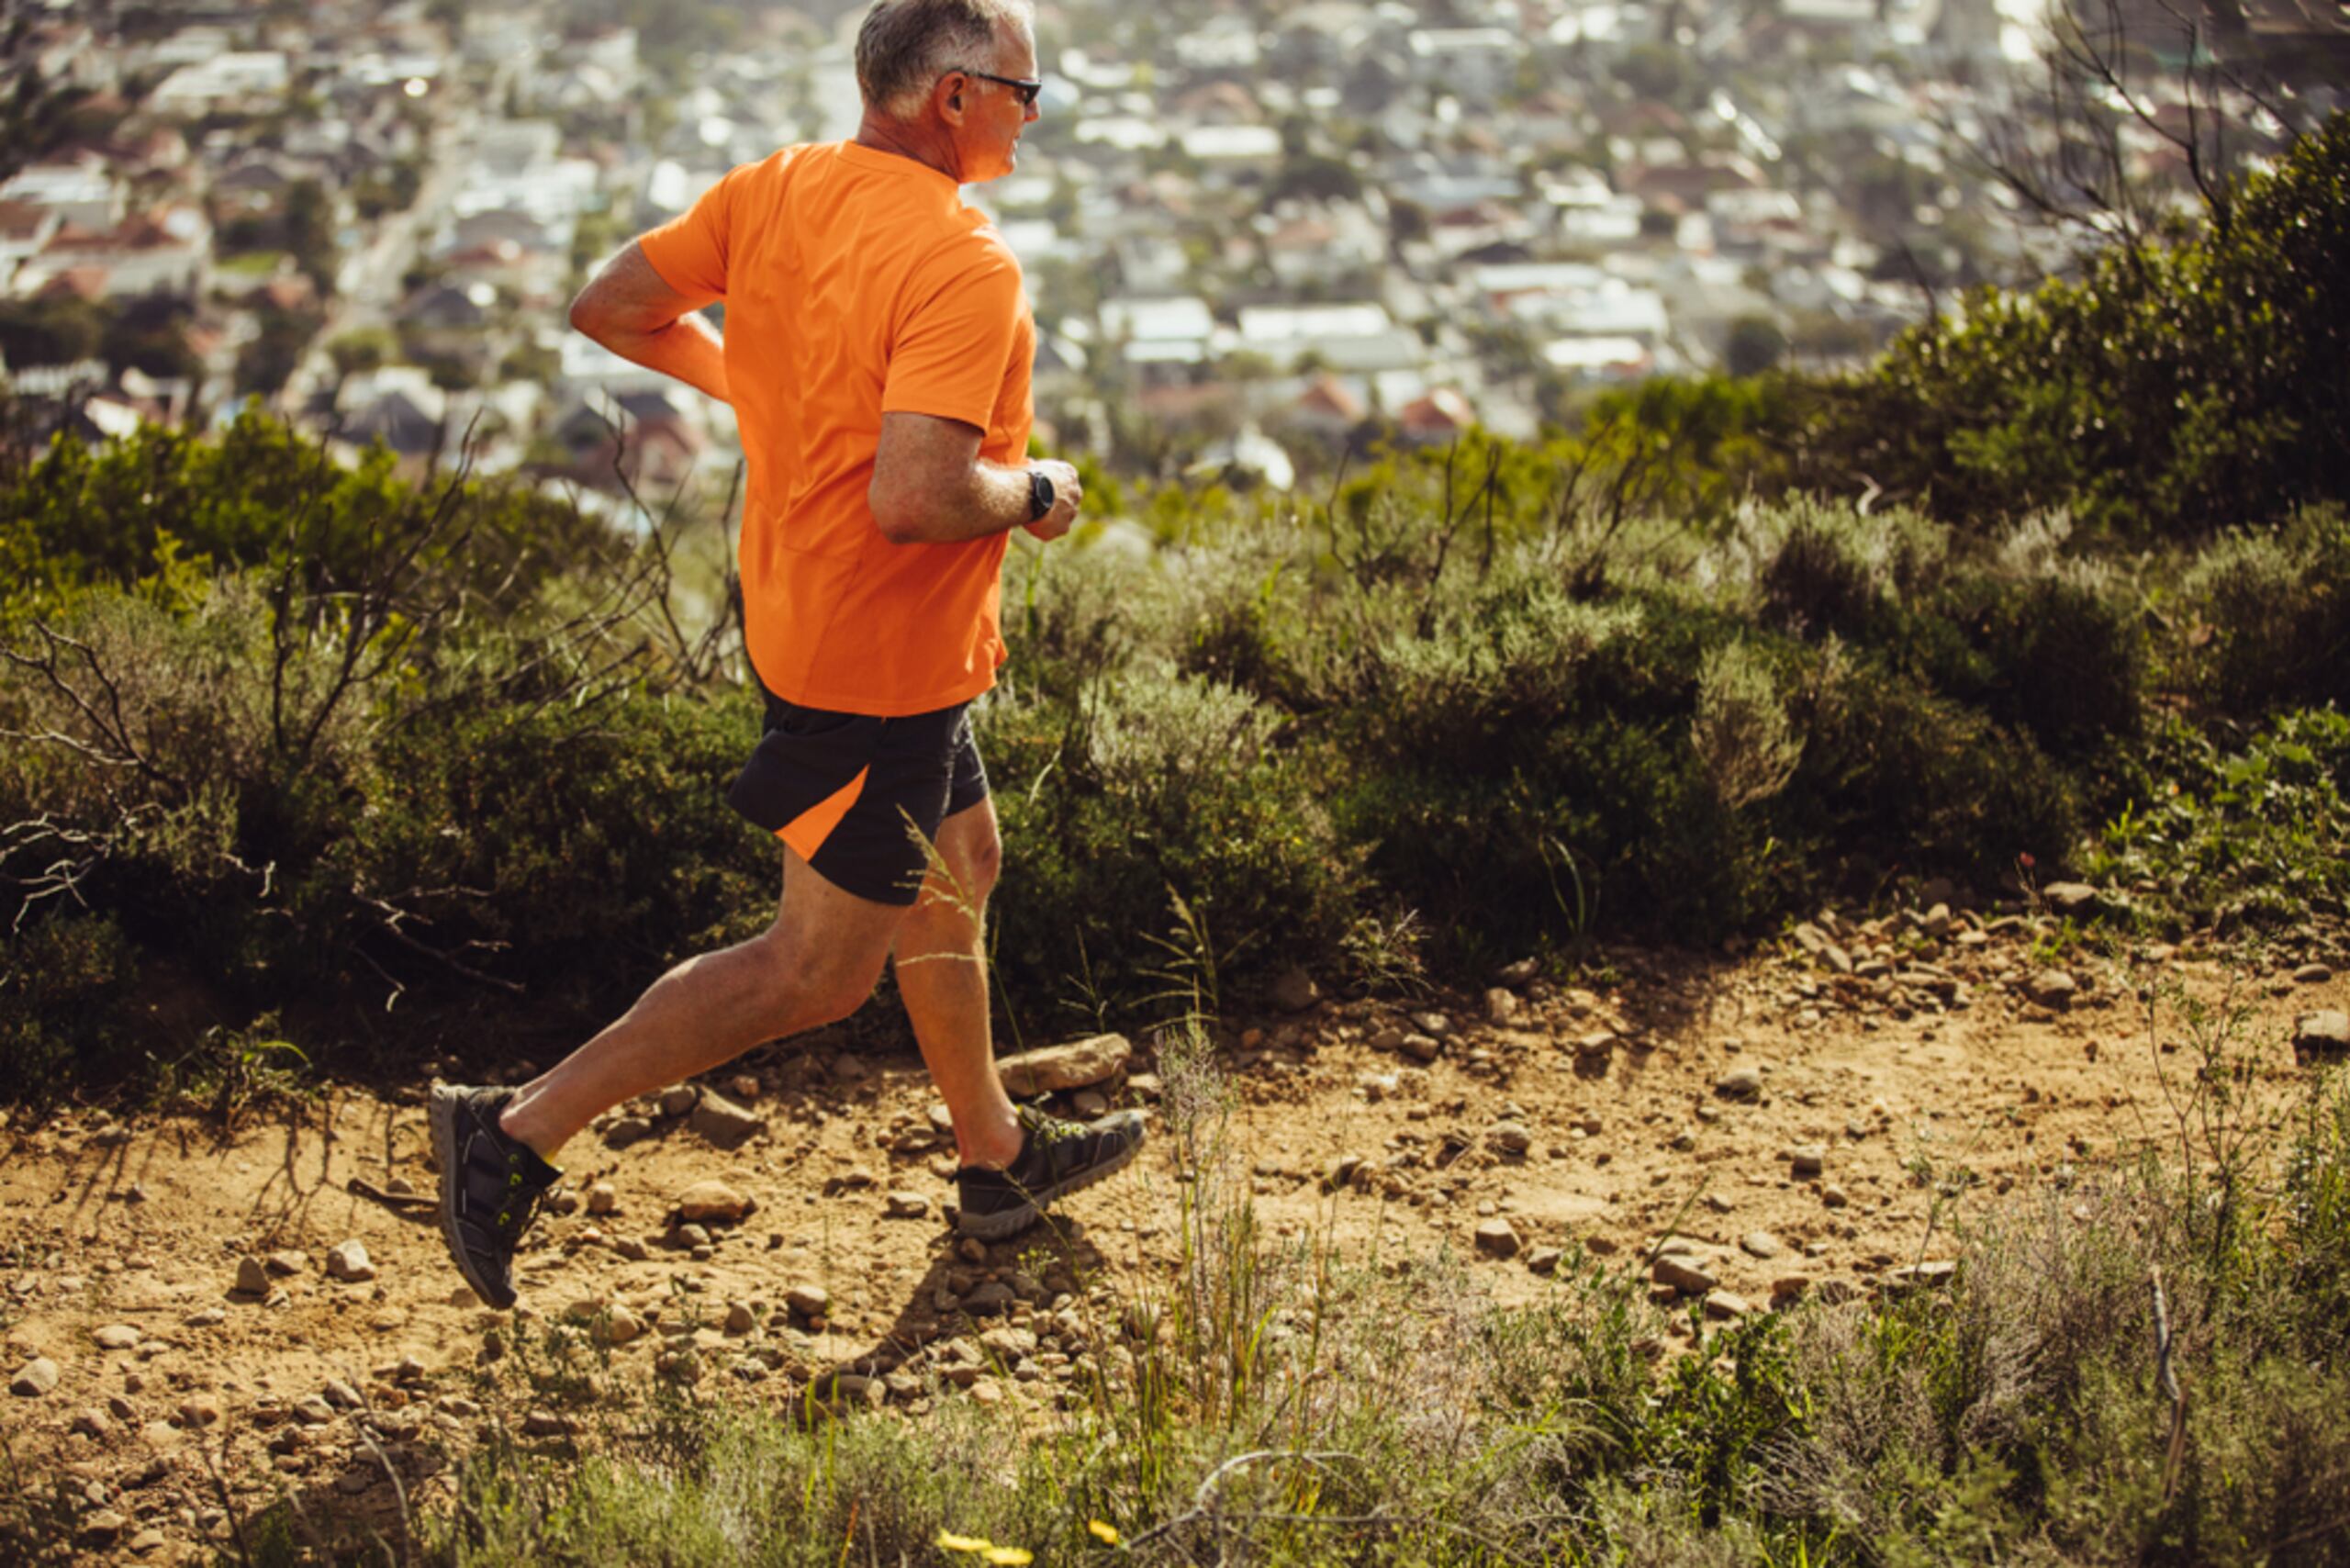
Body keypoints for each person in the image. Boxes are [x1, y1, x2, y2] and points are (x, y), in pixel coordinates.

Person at [429, 0, 1144, 1312]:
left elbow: (614, 308)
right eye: (1024, 94)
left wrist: (756, 389)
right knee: (814, 970)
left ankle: (995, 1158)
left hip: (831, 618)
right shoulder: (959, 260)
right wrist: (1034, 491)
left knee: (963, 862)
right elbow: (919, 496)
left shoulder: (778, 188)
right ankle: (515, 1131)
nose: (1032, 117)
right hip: (873, 657)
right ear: (952, 99)